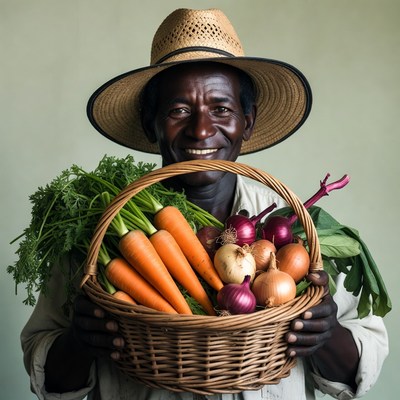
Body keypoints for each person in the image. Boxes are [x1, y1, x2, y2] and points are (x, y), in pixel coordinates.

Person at [21, 8, 388, 400]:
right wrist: (80, 340)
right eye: (179, 110)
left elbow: (362, 368)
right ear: (151, 123)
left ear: (247, 121)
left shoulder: (292, 231)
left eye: (222, 109)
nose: (200, 130)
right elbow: (50, 378)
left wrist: (326, 334)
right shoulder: (100, 233)